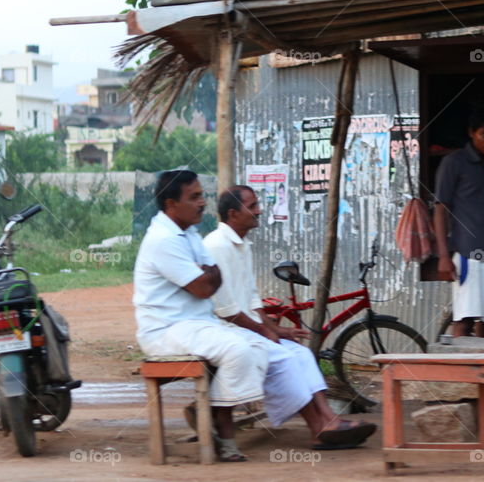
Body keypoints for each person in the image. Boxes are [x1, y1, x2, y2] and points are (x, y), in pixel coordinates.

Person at [204, 185, 375, 450]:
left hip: (245, 328)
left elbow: (251, 299)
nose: (259, 211)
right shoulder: (216, 245)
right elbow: (225, 309)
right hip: (225, 331)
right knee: (285, 359)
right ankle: (318, 429)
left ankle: (329, 418)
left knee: (302, 354)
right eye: (252, 206)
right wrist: (265, 331)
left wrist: (274, 328)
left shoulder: (242, 245)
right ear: (232, 213)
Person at [133, 170, 269, 461]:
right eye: (194, 197)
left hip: (197, 325)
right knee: (237, 349)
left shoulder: (190, 234)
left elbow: (210, 278)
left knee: (259, 347)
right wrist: (208, 275)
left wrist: (208, 276)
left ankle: (210, 415)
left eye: (202, 195)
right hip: (165, 331)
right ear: (171, 204)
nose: (203, 203)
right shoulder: (162, 239)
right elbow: (204, 287)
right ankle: (221, 430)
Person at [434, 107, 484, 337]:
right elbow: (440, 209)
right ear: (472, 133)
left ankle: (483, 372)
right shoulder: (454, 162)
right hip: (467, 252)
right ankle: (458, 370)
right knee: (465, 318)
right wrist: (443, 256)